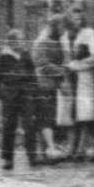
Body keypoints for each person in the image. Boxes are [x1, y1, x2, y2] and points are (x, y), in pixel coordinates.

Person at [0, 29, 40, 170]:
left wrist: (32, 91)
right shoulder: (3, 57)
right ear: (12, 42)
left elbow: (33, 76)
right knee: (9, 127)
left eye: (23, 40)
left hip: (25, 95)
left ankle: (32, 156)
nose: (22, 43)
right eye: (19, 40)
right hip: (10, 97)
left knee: (29, 125)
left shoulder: (26, 55)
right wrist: (3, 96)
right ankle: (7, 159)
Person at [63, 7, 94, 161]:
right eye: (74, 18)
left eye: (79, 18)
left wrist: (77, 65)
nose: (77, 21)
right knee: (70, 114)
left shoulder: (89, 33)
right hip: (69, 78)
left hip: (84, 77)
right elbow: (64, 58)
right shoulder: (65, 36)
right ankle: (70, 146)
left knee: (83, 114)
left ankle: (81, 148)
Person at [30, 14, 67, 163]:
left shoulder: (55, 41)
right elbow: (42, 64)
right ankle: (49, 150)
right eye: (61, 27)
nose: (63, 30)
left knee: (47, 119)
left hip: (51, 85)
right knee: (44, 118)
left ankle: (45, 151)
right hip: (42, 84)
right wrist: (62, 71)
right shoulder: (41, 41)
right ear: (55, 26)